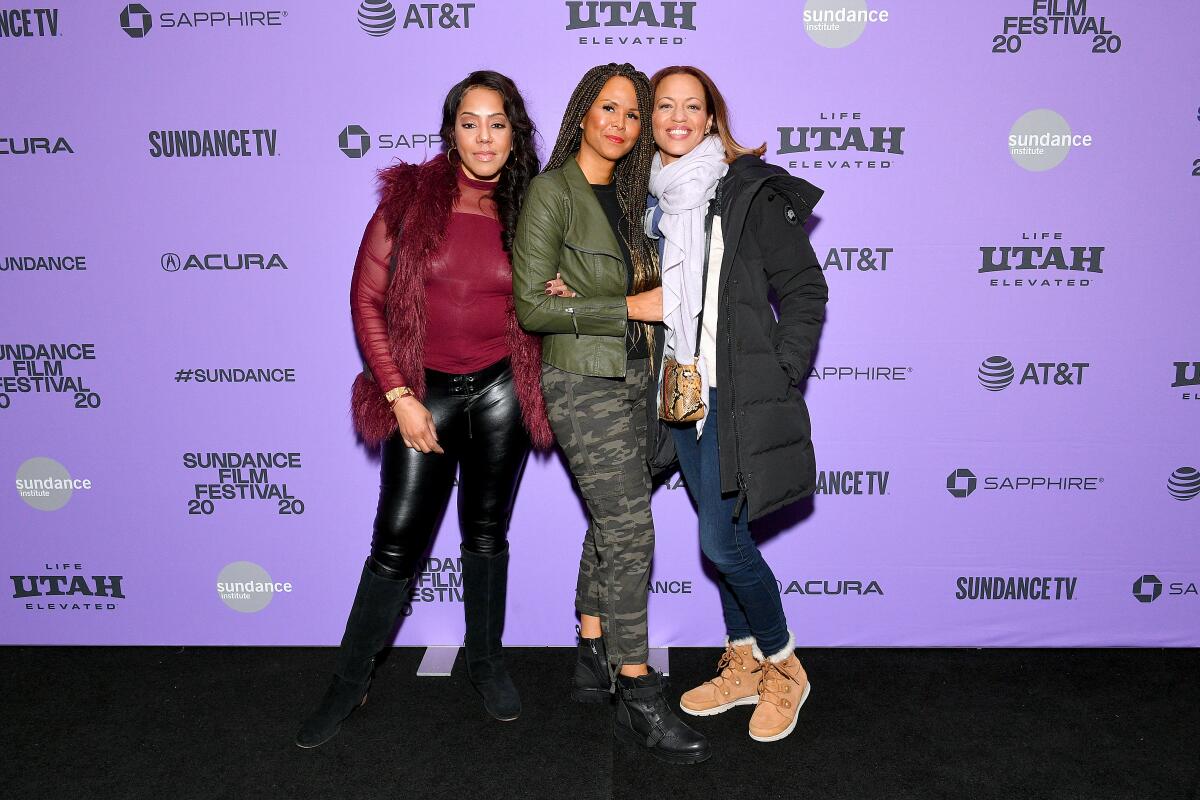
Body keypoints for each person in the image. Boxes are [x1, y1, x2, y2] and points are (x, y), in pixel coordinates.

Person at [295, 70, 551, 749]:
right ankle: (350, 680)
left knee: (487, 532)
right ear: (451, 131)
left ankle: (487, 664)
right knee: (396, 544)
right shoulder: (410, 199)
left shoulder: (540, 205)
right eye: (470, 122)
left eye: (498, 122)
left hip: (503, 391)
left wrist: (564, 287)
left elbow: (568, 295)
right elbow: (367, 299)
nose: (484, 136)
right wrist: (400, 396)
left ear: (515, 131)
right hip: (422, 391)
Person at [512, 62, 709, 764]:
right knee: (630, 527)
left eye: (634, 113)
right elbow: (533, 306)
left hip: (639, 378)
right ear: (583, 113)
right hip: (581, 383)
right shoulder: (552, 192)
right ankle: (636, 688)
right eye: (610, 108)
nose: (622, 123)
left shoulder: (637, 196)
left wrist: (599, 299)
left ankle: (591, 651)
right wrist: (623, 303)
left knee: (610, 519)